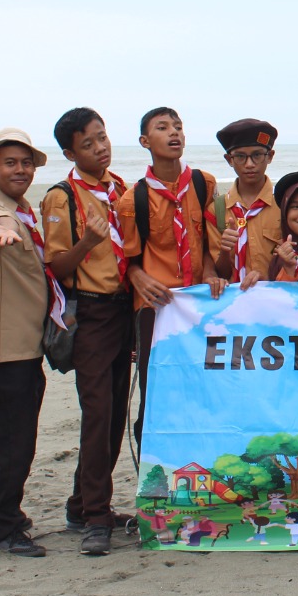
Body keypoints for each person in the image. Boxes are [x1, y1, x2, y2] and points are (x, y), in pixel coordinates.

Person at [0, 128, 65, 557]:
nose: (21, 170)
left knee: (0, 438)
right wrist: (5, 227)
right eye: (10, 162)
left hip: (20, 344)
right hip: (3, 346)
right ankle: (6, 528)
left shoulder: (22, 211)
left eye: (26, 163)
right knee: (15, 442)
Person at [41, 107, 134, 556]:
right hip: (91, 314)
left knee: (115, 411)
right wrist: (89, 242)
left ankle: (82, 503)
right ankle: (97, 516)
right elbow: (57, 266)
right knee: (97, 413)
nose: (101, 148)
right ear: (70, 152)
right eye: (88, 144)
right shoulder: (62, 198)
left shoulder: (123, 191)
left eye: (102, 137)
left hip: (124, 311)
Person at [116, 107, 227, 440]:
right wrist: (137, 277)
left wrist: (210, 272)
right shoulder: (131, 200)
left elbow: (212, 240)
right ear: (145, 141)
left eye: (178, 127)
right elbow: (128, 259)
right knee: (157, 390)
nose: (174, 133)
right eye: (162, 128)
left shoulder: (205, 184)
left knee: (203, 385)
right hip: (158, 309)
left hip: (199, 305)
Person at [211, 119, 283, 290]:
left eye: (257, 155)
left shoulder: (284, 204)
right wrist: (225, 250)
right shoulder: (217, 209)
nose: (250, 164)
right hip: (234, 303)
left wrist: (265, 275)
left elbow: (295, 262)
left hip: (275, 299)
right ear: (229, 159)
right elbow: (219, 272)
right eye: (241, 157)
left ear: (270, 156)